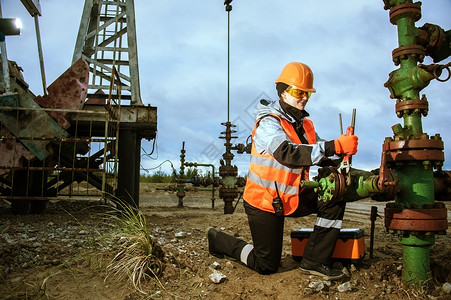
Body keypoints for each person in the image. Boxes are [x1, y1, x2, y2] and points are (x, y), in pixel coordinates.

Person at [207, 62, 359, 280]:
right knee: (266, 265)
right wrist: (334, 146)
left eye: (307, 93)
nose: (304, 97)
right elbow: (288, 154)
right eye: (299, 92)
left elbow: (315, 151)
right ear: (283, 92)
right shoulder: (268, 122)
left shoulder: (305, 124)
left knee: (335, 196)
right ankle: (218, 240)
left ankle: (315, 261)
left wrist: (341, 151)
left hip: (292, 195)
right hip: (264, 202)